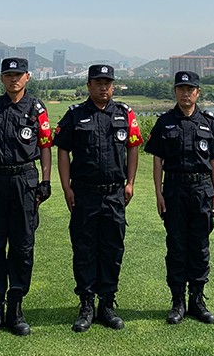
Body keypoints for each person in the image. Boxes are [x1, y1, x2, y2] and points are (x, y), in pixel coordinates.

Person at [0, 57, 53, 339]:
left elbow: (45, 146)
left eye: (18, 74)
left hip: (24, 182)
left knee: (22, 247)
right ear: (2, 78)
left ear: (27, 77)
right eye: (8, 75)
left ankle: (15, 309)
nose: (13, 79)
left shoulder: (37, 109)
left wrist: (45, 182)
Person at [53, 64, 143, 332]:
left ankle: (107, 304)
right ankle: (86, 305)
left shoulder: (125, 114)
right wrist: (66, 188)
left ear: (113, 86)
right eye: (98, 83)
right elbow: (62, 151)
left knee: (112, 250)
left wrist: (131, 182)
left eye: (108, 83)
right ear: (89, 86)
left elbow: (133, 147)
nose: (103, 87)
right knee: (84, 250)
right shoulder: (75, 115)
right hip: (84, 194)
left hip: (114, 194)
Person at [144, 70, 214, 325]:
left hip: (202, 190)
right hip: (174, 190)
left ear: (197, 93)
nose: (185, 93)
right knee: (177, 246)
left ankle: (197, 301)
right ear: (175, 91)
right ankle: (178, 302)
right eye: (181, 88)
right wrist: (158, 193)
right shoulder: (164, 122)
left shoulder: (209, 123)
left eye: (190, 89)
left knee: (200, 247)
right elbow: (157, 160)